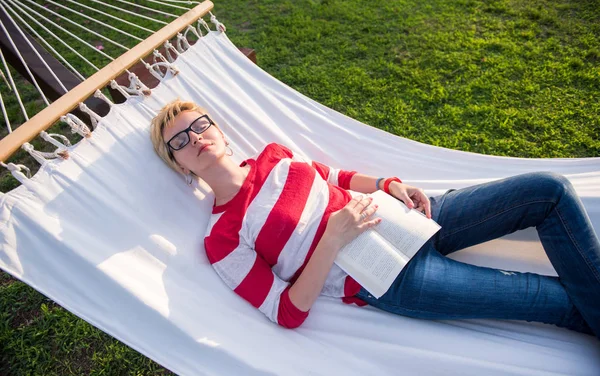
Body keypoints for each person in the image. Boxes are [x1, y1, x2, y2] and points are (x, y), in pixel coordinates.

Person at [150, 99, 600, 338]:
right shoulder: (222, 239)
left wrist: (385, 183)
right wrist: (331, 238)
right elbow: (285, 312)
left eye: (200, 125)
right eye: (180, 142)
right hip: (386, 275)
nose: (196, 138)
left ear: (219, 129)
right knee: (555, 300)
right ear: (180, 166)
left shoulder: (274, 155)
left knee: (550, 190)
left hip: (410, 216)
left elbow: (333, 175)